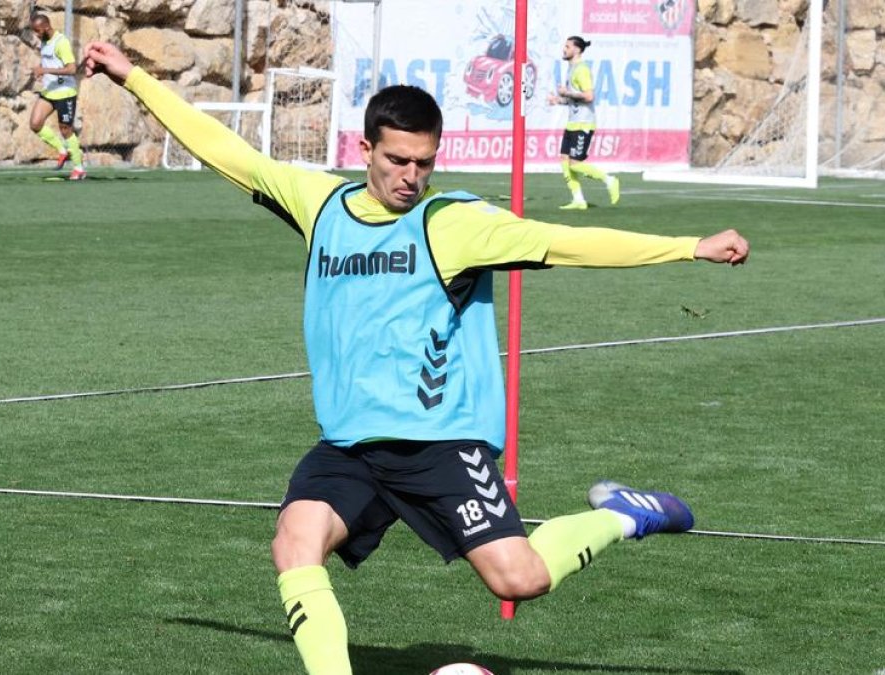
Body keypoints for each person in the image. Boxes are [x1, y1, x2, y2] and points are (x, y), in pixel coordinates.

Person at [82, 41, 749, 675]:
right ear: (364, 147)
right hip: (349, 446)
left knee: (521, 577)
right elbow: (225, 148)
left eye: (424, 162)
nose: (411, 175)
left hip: (437, 443)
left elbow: (564, 242)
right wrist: (133, 79)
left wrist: (689, 245)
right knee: (293, 542)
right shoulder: (322, 205)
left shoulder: (451, 223)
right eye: (397, 159)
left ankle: (625, 514)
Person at [547, 36, 616, 210]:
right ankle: (578, 200)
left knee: (575, 164)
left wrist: (567, 93)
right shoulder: (571, 69)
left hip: (584, 124)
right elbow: (574, 99)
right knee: (564, 159)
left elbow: (589, 96)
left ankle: (609, 180)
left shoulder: (582, 70)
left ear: (577, 50)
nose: (564, 49)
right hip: (572, 123)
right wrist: (558, 100)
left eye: (567, 46)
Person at [29, 14, 85, 180]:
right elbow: (51, 62)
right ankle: (62, 150)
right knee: (35, 123)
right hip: (49, 91)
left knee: (65, 130)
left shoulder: (62, 42)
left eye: (38, 31)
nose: (36, 35)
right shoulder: (45, 41)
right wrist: (40, 68)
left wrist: (45, 71)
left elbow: (71, 69)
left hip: (65, 93)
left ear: (46, 27)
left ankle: (79, 168)